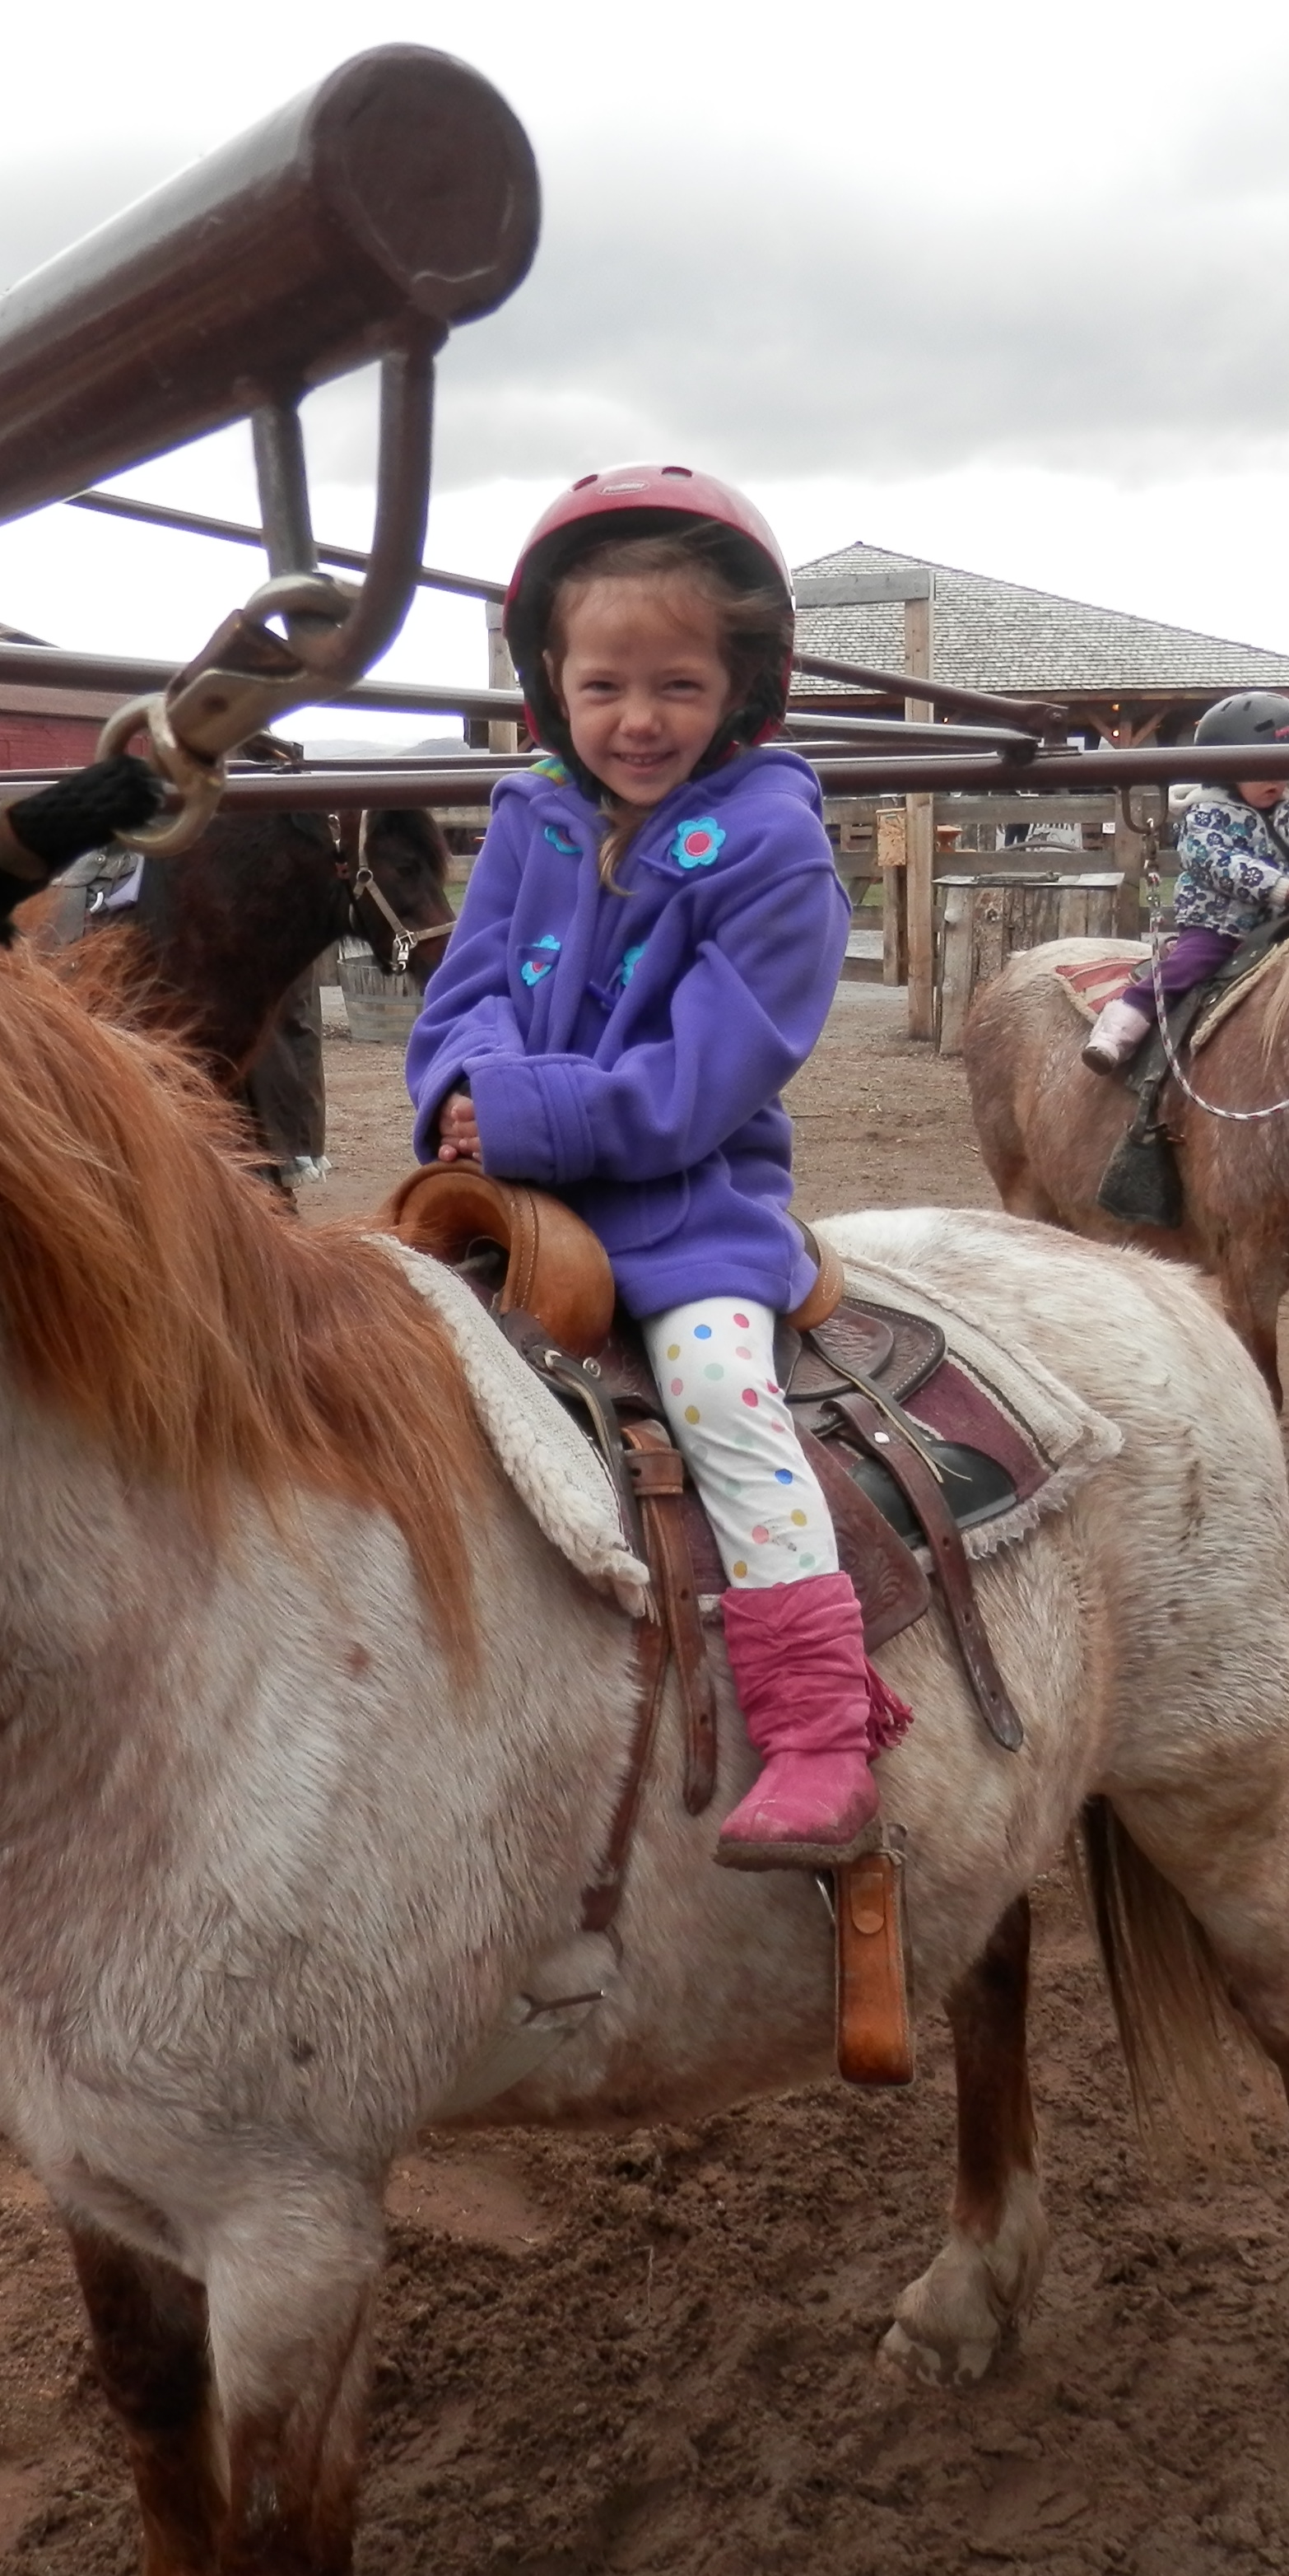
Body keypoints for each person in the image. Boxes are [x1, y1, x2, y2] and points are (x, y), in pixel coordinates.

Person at [407, 464, 903, 1867]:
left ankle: (818, 1731)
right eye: (604, 685)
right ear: (550, 686)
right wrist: (465, 1093)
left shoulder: (776, 853)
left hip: (684, 1210)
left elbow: (705, 1079)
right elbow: (465, 990)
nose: (638, 719)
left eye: (678, 685)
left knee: (720, 1399)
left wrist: (523, 1114)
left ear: (742, 687)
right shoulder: (529, 816)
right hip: (507, 1195)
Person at [1080, 688, 1289, 1227]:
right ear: (1227, 768)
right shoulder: (1207, 813)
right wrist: (1282, 886)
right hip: (1221, 923)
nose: (1278, 781)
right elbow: (1215, 861)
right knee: (1187, 968)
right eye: (1265, 770)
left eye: (1288, 768)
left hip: (1281, 923)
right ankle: (1122, 1026)